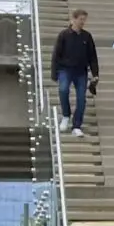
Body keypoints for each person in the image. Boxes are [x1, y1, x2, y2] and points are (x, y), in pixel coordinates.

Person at [49, 8, 98, 136]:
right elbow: (56, 54)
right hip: (65, 69)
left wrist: (95, 74)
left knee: (81, 98)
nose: (83, 22)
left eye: (84, 20)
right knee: (63, 89)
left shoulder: (87, 36)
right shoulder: (64, 35)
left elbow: (92, 56)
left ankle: (77, 125)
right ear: (74, 19)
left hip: (81, 71)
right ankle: (66, 115)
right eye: (81, 19)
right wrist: (54, 72)